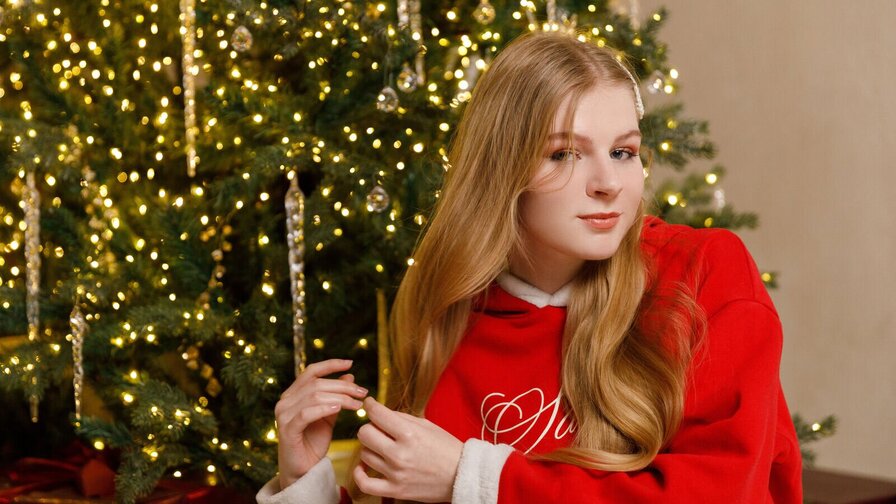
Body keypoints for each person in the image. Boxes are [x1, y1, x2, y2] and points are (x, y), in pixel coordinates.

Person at [258, 30, 802, 504]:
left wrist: (476, 479)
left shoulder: (703, 273)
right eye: (563, 154)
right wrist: (305, 482)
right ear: (501, 170)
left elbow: (725, 493)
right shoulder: (447, 311)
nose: (608, 183)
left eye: (623, 152)